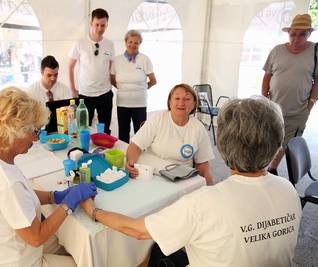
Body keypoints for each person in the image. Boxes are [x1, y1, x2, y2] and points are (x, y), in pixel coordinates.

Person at [81, 96, 302, 267]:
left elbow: (137, 230)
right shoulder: (288, 190)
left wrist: (93, 212)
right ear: (276, 146)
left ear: (223, 146)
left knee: (155, 248)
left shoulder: (203, 202)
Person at [0, 87, 97, 266]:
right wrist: (69, 204)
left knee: (71, 243)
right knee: (87, 259)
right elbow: (36, 238)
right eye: (34, 131)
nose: (36, 139)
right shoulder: (6, 183)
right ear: (15, 132)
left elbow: (22, 196)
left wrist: (54, 196)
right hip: (14, 261)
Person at [262, 13, 318, 175]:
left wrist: (311, 104)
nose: (296, 38)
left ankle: (272, 169)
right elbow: (267, 76)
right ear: (289, 33)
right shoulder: (277, 51)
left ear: (309, 33)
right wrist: (265, 99)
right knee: (268, 139)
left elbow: (317, 80)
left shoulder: (315, 52)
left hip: (299, 111)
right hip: (273, 108)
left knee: (286, 143)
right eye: (293, 34)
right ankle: (260, 169)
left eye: (302, 34)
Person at [125, 84, 214, 185]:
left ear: (194, 104)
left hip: (181, 180)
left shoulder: (198, 128)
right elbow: (135, 146)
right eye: (177, 98)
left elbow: (203, 165)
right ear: (170, 102)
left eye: (187, 99)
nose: (181, 103)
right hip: (152, 175)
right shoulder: (158, 118)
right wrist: (131, 164)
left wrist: (209, 190)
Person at [68, 8, 115, 134]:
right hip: (85, 95)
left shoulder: (110, 44)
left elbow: (111, 68)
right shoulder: (80, 43)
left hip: (105, 93)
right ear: (91, 23)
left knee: (104, 130)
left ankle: (104, 152)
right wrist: (73, 89)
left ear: (107, 25)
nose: (100, 28)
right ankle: (84, 152)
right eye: (97, 25)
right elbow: (70, 66)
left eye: (103, 25)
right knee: (83, 128)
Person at [111, 30, 157, 143]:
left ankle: (139, 157)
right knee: (123, 132)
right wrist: (124, 89)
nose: (133, 45)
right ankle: (124, 156)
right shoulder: (117, 60)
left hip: (140, 104)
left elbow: (153, 80)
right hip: (122, 103)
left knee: (140, 133)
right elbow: (112, 79)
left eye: (136, 42)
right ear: (125, 43)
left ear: (140, 44)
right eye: (130, 42)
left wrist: (140, 89)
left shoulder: (144, 59)